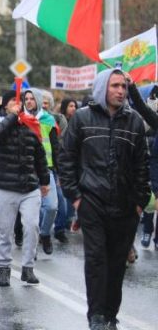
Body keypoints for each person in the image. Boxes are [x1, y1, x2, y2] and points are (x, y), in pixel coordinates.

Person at [58, 69, 150, 330]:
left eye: (123, 86)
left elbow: (141, 164)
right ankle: (96, 316)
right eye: (115, 86)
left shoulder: (133, 121)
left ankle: (110, 315)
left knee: (117, 263)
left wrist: (140, 201)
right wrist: (76, 197)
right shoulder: (82, 118)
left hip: (125, 206)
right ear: (102, 88)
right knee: (96, 260)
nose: (121, 91)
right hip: (92, 203)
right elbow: (67, 157)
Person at [0, 92, 49, 287]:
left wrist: (45, 181)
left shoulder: (31, 125)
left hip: (29, 187)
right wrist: (13, 117)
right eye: (13, 102)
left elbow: (40, 156)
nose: (17, 104)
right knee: (5, 231)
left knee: (32, 226)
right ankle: (4, 268)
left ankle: (28, 268)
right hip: (5, 186)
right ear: (5, 106)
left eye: (18, 102)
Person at [24, 88, 60, 255]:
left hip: (47, 169)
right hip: (28, 169)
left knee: (52, 207)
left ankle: (45, 233)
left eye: (32, 98)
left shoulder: (49, 119)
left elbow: (55, 146)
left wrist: (60, 171)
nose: (29, 101)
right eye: (26, 99)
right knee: (32, 213)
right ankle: (32, 249)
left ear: (38, 100)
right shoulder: (21, 119)